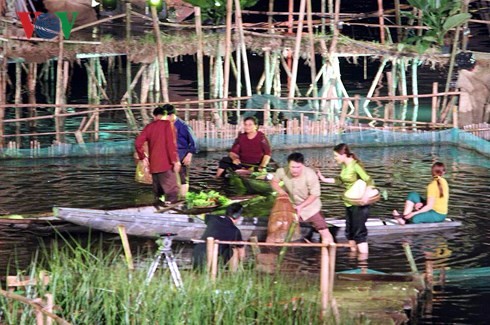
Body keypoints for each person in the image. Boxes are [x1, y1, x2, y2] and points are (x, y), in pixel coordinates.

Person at [317, 143, 375, 255]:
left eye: (336, 156)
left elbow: (369, 180)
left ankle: (363, 262)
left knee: (359, 232)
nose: (335, 158)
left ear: (343, 154)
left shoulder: (355, 165)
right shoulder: (344, 166)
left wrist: (366, 196)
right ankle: (353, 255)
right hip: (348, 202)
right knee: (349, 231)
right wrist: (323, 179)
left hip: (359, 203)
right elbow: (340, 180)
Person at [270, 152, 334, 244]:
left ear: (302, 166)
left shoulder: (310, 174)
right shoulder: (281, 171)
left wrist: (301, 206)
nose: (295, 170)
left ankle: (329, 250)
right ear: (288, 165)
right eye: (292, 167)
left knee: (323, 231)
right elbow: (274, 182)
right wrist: (282, 192)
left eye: (298, 167)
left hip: (310, 206)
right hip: (292, 206)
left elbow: (315, 194)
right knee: (279, 226)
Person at [135, 106, 181, 207]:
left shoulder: (149, 127)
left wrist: (142, 157)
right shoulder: (168, 125)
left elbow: (138, 143)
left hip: (154, 166)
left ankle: (157, 210)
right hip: (166, 164)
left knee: (158, 193)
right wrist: (175, 161)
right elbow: (171, 144)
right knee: (172, 192)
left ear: (154, 116)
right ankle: (172, 213)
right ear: (165, 115)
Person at [192, 203, 245, 270]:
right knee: (234, 250)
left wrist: (218, 207)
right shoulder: (235, 231)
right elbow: (241, 252)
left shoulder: (213, 219)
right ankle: (235, 273)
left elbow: (204, 213)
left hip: (197, 255)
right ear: (238, 216)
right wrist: (241, 263)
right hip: (212, 262)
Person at [161, 104, 199, 197]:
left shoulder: (183, 126)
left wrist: (189, 155)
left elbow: (194, 142)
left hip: (181, 155)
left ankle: (182, 198)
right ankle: (169, 197)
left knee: (183, 178)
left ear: (171, 115)